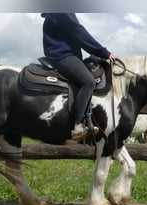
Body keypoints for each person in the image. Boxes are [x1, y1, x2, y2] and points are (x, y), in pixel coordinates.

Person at [41, 13, 115, 141]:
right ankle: (77, 126)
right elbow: (79, 33)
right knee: (88, 82)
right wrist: (103, 52)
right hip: (62, 55)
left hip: (62, 53)